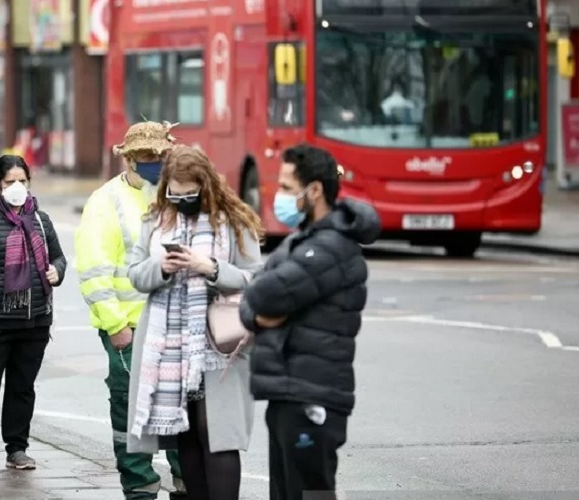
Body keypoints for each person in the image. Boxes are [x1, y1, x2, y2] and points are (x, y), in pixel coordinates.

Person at [239, 144, 381, 500]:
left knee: (310, 493)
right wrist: (257, 314)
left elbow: (261, 294)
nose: (280, 196)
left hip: (312, 396)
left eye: (288, 188)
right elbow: (253, 301)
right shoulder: (306, 240)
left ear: (314, 190)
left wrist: (256, 308)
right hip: (289, 391)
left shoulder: (331, 247)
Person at [126, 145, 263, 500]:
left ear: (206, 185)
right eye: (175, 191)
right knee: (184, 431)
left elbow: (256, 278)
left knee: (216, 432)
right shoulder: (154, 220)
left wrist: (212, 268)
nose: (182, 199)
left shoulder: (234, 221)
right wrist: (163, 269)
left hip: (220, 343)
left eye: (190, 192)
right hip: (170, 346)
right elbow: (135, 274)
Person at [75, 121, 187, 500]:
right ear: (129, 159)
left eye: (160, 154)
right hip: (130, 329)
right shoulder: (106, 202)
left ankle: (186, 480)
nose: (155, 161)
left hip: (174, 326)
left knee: (179, 408)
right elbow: (95, 271)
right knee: (129, 410)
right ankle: (140, 486)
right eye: (147, 156)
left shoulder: (178, 195)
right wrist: (116, 326)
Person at [0, 155, 67, 472]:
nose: (17, 187)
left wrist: (57, 272)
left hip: (35, 320)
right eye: (10, 182)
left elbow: (58, 258)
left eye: (22, 181)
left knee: (22, 387)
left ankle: (17, 449)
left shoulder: (41, 221)